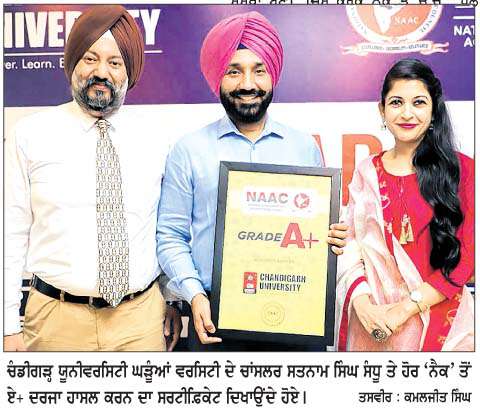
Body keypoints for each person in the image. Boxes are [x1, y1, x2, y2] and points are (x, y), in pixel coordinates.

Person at [156, 11, 347, 351]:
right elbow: (170, 235)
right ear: (218, 77)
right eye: (234, 71)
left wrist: (331, 236)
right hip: (212, 317)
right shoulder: (189, 150)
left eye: (259, 70)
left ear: (272, 75)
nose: (247, 84)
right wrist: (194, 294)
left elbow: (316, 234)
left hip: (295, 315)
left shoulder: (303, 147)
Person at [4, 5, 181, 352]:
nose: (101, 72)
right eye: (90, 59)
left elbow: (167, 230)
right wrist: (8, 325)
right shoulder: (29, 135)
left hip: (141, 323)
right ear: (72, 63)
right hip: (55, 321)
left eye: (115, 62)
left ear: (129, 71)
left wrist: (172, 299)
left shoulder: (158, 139)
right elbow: (9, 235)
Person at [335, 59, 474, 351]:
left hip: (443, 327)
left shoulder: (463, 171)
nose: (407, 113)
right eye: (396, 102)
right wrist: (363, 305)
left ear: (434, 111)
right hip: (374, 325)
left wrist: (404, 310)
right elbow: (350, 246)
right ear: (382, 110)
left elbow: (467, 257)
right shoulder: (366, 172)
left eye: (419, 102)